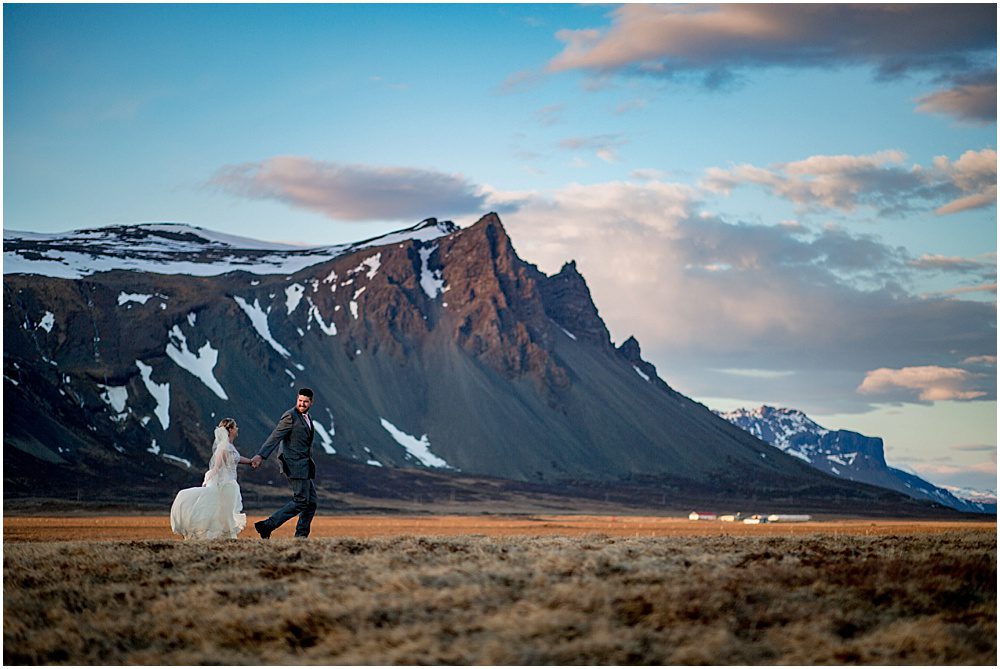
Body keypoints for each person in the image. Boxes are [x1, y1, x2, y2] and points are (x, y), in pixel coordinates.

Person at [251, 387, 318, 539]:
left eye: (305, 402)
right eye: (300, 400)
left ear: (311, 403)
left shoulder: (307, 417)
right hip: (295, 465)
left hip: (305, 466)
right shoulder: (290, 416)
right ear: (297, 399)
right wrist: (261, 455)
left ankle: (301, 537)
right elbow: (275, 436)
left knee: (311, 503)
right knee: (301, 501)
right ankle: (267, 526)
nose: (302, 404)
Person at [170, 418, 250, 539]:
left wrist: (250, 461)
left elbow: (236, 459)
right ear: (230, 429)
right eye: (235, 427)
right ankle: (228, 537)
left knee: (227, 511)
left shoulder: (230, 446)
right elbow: (217, 466)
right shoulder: (223, 447)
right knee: (225, 511)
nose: (237, 429)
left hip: (231, 484)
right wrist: (208, 478)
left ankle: (228, 537)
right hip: (225, 484)